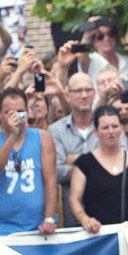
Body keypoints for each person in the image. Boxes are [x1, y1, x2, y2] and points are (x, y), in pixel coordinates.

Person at [68, 105, 128, 234]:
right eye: (105, 127)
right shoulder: (84, 163)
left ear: (121, 128)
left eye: (115, 126)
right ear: (96, 132)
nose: (111, 131)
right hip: (98, 235)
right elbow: (74, 199)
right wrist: (85, 219)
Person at [0, 87, 57, 236]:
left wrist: (49, 219)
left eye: (20, 111)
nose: (16, 117)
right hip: (0, 229)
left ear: (28, 112)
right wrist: (12, 137)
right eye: (10, 112)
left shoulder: (43, 137)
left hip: (38, 228)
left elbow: (50, 181)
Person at [49, 72, 101, 225]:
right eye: (78, 91)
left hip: (106, 209)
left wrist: (73, 160)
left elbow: (120, 163)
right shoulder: (55, 131)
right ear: (67, 96)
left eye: (88, 90)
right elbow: (55, 172)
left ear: (94, 93)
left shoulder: (108, 125)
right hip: (71, 216)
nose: (84, 95)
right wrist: (98, 167)